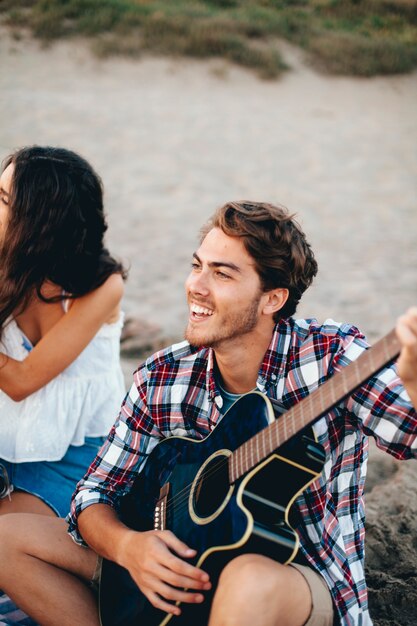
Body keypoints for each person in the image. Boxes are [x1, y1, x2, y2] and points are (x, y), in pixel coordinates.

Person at [0, 201, 416, 626]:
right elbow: (93, 493)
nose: (196, 286)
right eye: (197, 266)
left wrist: (413, 380)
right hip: (178, 563)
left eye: (221, 273)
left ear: (272, 298)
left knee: (246, 580)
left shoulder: (331, 359)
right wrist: (131, 548)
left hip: (293, 578)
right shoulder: (162, 376)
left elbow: (410, 433)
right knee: (7, 538)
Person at [0, 145, 127, 519]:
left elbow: (21, 381)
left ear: (39, 221)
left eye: (4, 200)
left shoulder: (101, 286)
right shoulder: (8, 264)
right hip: (8, 443)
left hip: (78, 454)